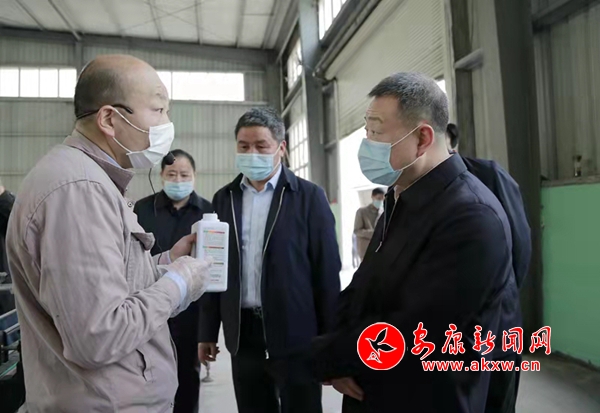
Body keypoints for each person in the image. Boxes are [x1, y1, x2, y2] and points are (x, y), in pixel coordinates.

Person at [5, 54, 212, 413]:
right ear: (109, 119)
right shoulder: (78, 190)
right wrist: (178, 283)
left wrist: (167, 263)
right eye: (158, 110)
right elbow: (99, 335)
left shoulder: (90, 179)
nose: (167, 124)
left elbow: (110, 288)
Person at [310, 72, 520, 413]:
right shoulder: (401, 195)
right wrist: (340, 349)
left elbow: (419, 330)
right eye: (366, 132)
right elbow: (364, 282)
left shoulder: (471, 216)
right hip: (373, 383)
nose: (367, 143)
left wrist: (325, 357)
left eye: (376, 132)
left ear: (422, 138)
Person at [198, 107, 341, 413]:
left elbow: (327, 273)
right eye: (244, 146)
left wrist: (330, 342)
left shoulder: (308, 197)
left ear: (281, 147)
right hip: (244, 333)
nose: (252, 153)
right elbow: (213, 269)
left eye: (261, 146)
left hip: (296, 332)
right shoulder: (225, 199)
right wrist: (207, 331)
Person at [446, 123, 531, 413]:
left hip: (495, 324)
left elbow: (520, 244)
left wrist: (500, 298)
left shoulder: (488, 175)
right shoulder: (411, 187)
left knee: (495, 400)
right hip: (445, 334)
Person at [134, 149, 213, 413]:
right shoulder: (143, 209)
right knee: (147, 375)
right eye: (172, 174)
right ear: (161, 176)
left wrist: (208, 329)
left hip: (191, 310)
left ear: (194, 176)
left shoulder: (208, 212)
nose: (178, 180)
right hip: (149, 305)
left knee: (188, 377)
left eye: (184, 174)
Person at [353, 188, 385, 260]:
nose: (380, 201)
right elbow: (357, 231)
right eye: (378, 198)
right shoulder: (362, 212)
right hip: (365, 250)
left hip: (379, 251)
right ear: (372, 197)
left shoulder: (383, 213)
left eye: (382, 199)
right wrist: (374, 234)